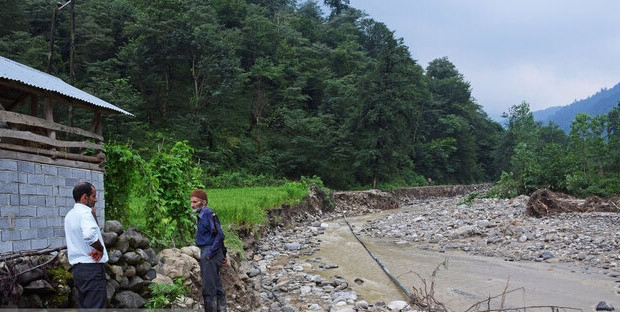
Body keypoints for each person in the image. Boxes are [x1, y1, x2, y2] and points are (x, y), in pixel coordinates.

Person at [64, 182, 108, 308]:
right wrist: (99, 248)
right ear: (85, 197)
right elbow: (89, 235)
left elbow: (90, 233)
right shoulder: (85, 214)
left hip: (79, 270)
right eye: (93, 196)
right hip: (92, 269)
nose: (96, 199)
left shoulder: (70, 215)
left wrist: (93, 216)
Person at [191, 189, 227, 312]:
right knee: (216, 286)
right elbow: (218, 234)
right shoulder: (203, 215)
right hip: (213, 252)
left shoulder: (207, 214)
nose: (192, 205)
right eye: (191, 202)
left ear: (204, 203)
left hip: (210, 252)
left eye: (195, 202)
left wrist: (210, 254)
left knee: (208, 289)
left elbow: (220, 235)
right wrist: (223, 254)